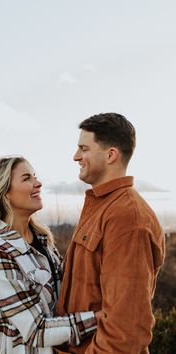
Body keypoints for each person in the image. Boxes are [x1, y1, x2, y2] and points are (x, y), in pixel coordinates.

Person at [0, 156, 97, 354]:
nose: (38, 183)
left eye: (35, 177)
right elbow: (37, 330)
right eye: (27, 179)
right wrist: (101, 319)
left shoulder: (41, 239)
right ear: (5, 193)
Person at [55, 113, 165, 354]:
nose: (76, 156)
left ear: (111, 155)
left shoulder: (128, 218)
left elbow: (126, 333)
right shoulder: (103, 207)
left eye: (83, 148)